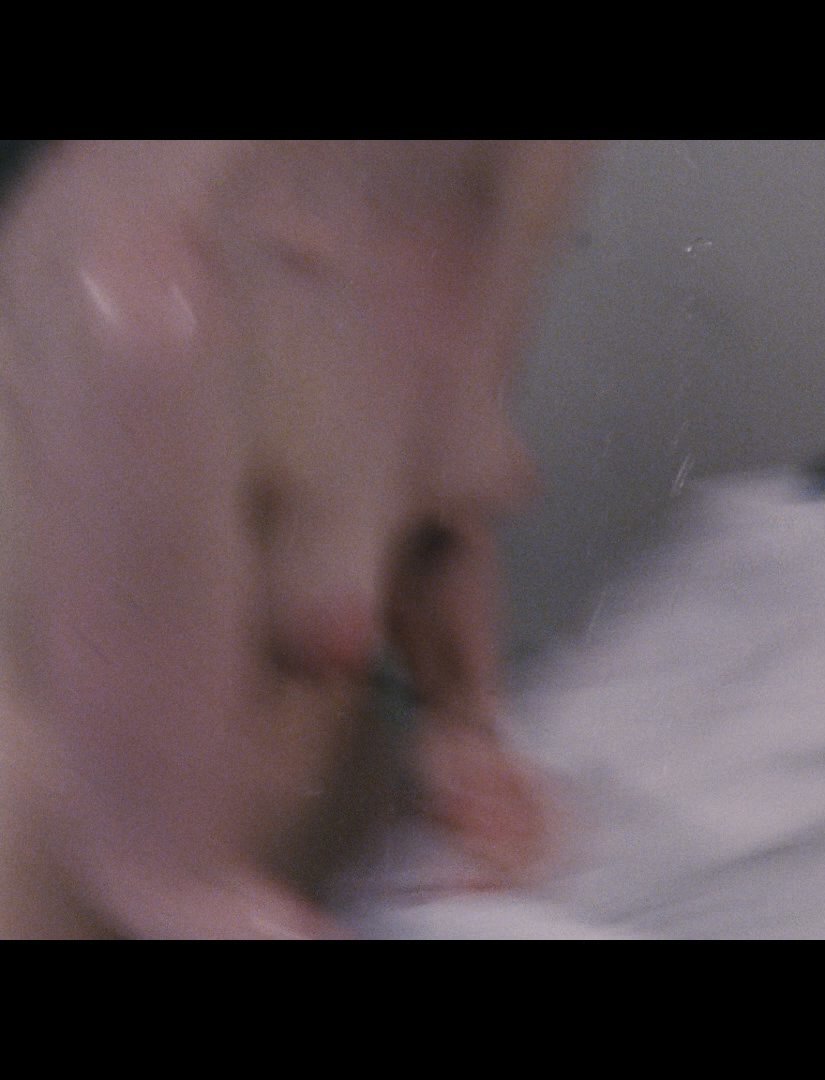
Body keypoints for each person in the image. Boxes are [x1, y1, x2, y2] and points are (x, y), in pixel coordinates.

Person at [0, 140, 589, 937]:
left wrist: (463, 721)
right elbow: (152, 880)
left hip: (316, 876)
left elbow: (435, 481)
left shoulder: (474, 192)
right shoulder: (144, 297)